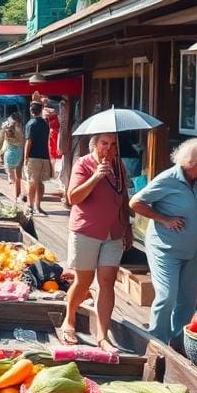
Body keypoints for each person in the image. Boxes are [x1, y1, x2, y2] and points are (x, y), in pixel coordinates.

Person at [130, 139, 197, 346]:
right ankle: (157, 342)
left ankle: (179, 344)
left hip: (192, 248)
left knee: (187, 301)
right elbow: (135, 202)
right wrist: (164, 219)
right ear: (189, 161)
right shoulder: (168, 179)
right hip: (165, 248)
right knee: (167, 295)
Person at [60, 133, 133, 350]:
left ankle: (103, 335)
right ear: (95, 144)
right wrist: (96, 177)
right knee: (83, 281)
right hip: (87, 230)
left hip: (114, 232)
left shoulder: (119, 165)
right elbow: (72, 198)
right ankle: (69, 319)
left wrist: (127, 226)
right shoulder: (84, 164)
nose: (108, 149)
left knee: (107, 281)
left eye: (113, 145)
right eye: (104, 144)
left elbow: (123, 198)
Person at [24, 102, 51, 216]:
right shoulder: (45, 124)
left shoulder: (31, 123)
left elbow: (29, 141)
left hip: (33, 157)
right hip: (44, 156)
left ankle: (30, 205)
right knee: (40, 183)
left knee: (32, 182)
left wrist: (25, 157)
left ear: (31, 111)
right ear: (41, 110)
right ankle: (38, 206)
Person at [0, 112, 25, 201]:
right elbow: (21, 141)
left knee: (12, 176)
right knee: (18, 175)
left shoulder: (8, 129)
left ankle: (16, 195)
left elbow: (1, 139)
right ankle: (18, 194)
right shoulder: (20, 128)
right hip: (19, 152)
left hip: (11, 152)